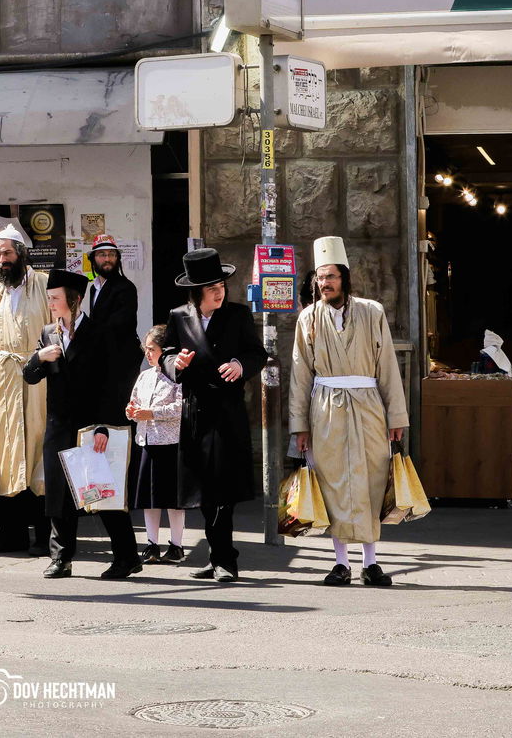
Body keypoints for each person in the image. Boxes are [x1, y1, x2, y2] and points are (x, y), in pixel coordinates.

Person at [290, 237, 409, 587]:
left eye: (331, 276)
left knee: (372, 481)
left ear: (344, 277)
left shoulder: (372, 312)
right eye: (320, 277)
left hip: (368, 406)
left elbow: (387, 366)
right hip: (325, 409)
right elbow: (300, 373)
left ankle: (371, 562)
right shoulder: (309, 318)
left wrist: (396, 417)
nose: (325, 283)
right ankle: (340, 562)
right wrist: (299, 426)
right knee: (333, 483)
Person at [25, 269, 141, 580]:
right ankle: (61, 558)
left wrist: (104, 426)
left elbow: (111, 383)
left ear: (74, 300)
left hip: (90, 426)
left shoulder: (98, 332)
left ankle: (127, 556)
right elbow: (30, 376)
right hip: (58, 425)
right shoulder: (48, 333)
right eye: (49, 298)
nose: (51, 304)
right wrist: (39, 357)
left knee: (100, 493)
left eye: (55, 298)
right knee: (58, 495)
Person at [159, 249, 267, 583]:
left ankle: (225, 559)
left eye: (221, 285)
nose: (219, 292)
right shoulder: (179, 316)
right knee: (204, 491)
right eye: (211, 288)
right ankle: (216, 555)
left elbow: (257, 353)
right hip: (196, 411)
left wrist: (239, 365)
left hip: (227, 411)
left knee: (224, 489)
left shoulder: (237, 314)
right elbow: (166, 354)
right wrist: (175, 364)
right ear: (196, 292)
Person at [0, 225, 52, 555]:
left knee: (39, 451)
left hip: (40, 380)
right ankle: (13, 533)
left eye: (6, 253)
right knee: (7, 454)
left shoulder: (45, 286)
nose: (2, 260)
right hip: (3, 382)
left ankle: (45, 535)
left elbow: (60, 333)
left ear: (21, 254)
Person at [127, 325, 188, 564]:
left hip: (170, 443)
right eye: (146, 349)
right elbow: (134, 401)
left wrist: (151, 413)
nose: (148, 353)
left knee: (173, 500)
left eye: (152, 349)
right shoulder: (145, 376)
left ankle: (177, 545)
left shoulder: (177, 376)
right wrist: (131, 411)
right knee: (148, 498)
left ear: (165, 350)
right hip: (146, 441)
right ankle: (151, 544)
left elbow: (180, 408)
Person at [84, 234, 143, 426]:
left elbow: (119, 324)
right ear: (93, 259)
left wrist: (85, 330)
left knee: (120, 413)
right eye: (102, 254)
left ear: (117, 258)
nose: (107, 259)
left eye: (111, 254)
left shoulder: (126, 288)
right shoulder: (94, 288)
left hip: (121, 363)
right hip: (101, 360)